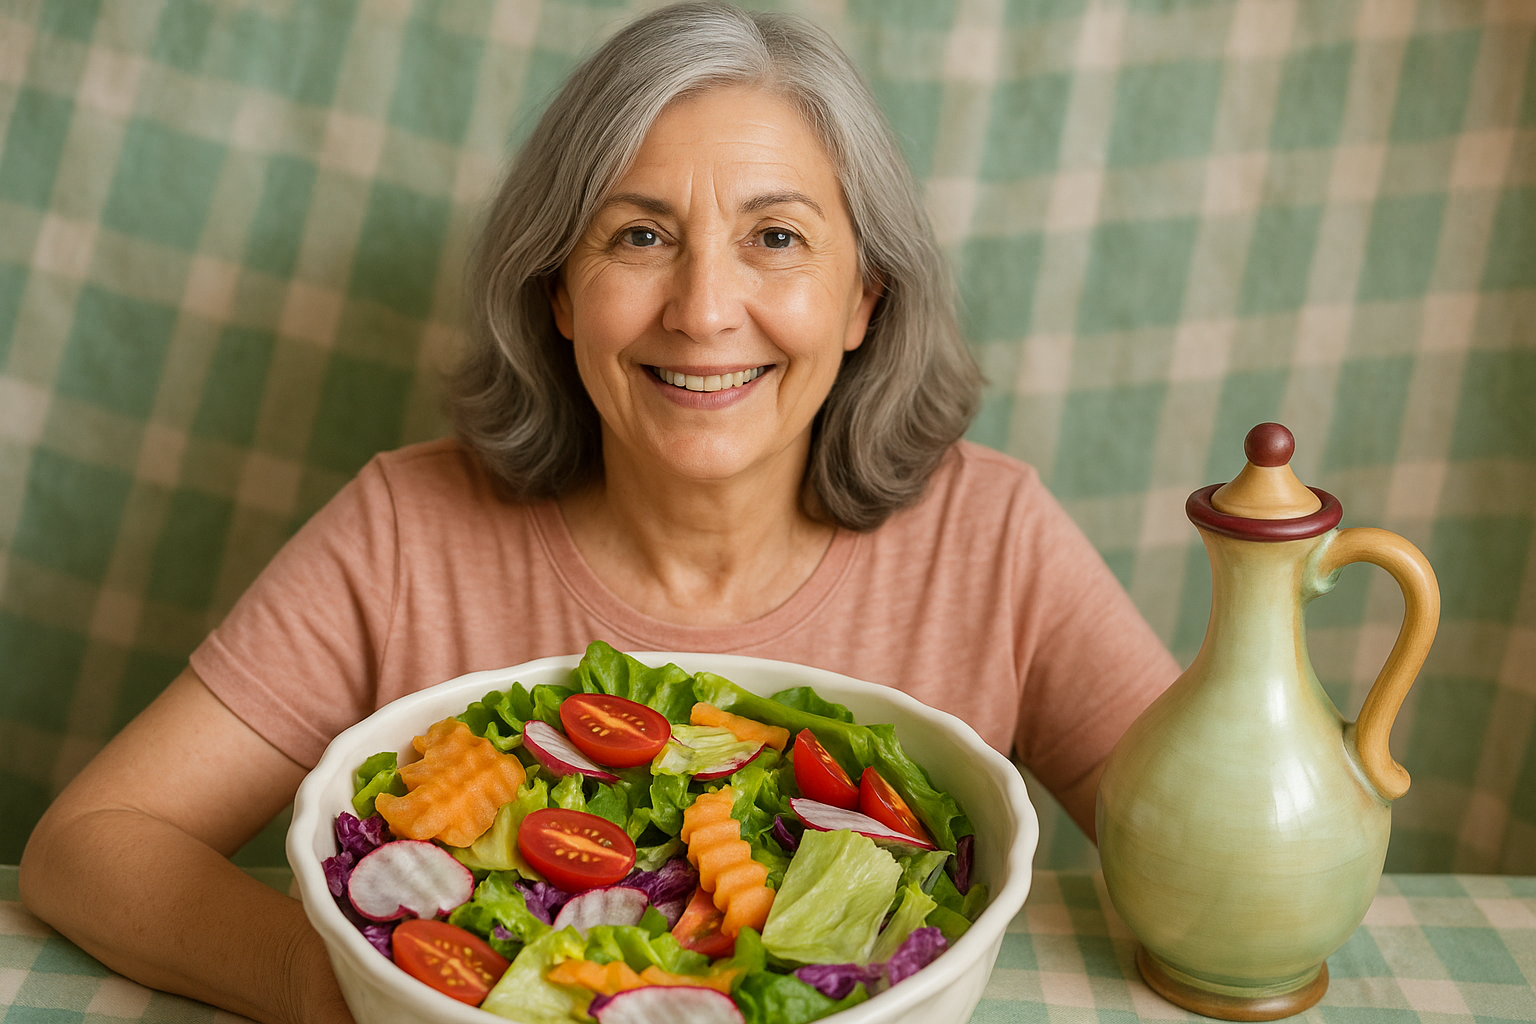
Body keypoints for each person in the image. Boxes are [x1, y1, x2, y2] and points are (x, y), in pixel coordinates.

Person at [19, 4, 1178, 1023]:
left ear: (864, 297)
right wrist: (348, 995)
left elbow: (1220, 868)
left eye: (776, 237)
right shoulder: (406, 531)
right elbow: (88, 844)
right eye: (640, 236)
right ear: (561, 293)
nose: (704, 310)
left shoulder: (994, 536)